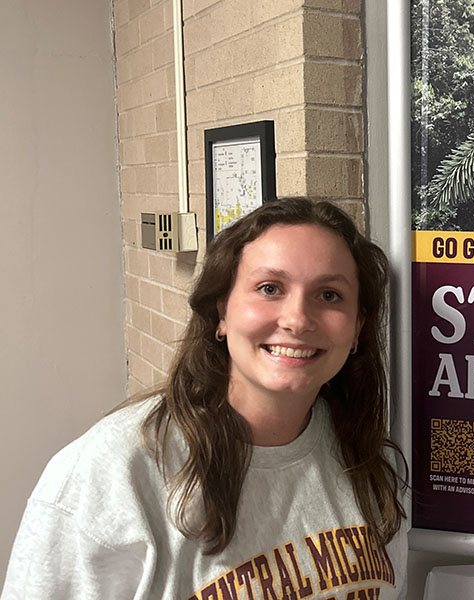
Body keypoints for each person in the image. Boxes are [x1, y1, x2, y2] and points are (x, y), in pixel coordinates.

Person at [1, 198, 408, 599]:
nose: (297, 319)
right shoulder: (115, 472)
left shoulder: (372, 467)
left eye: (330, 295)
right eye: (270, 288)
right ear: (222, 313)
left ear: (356, 328)